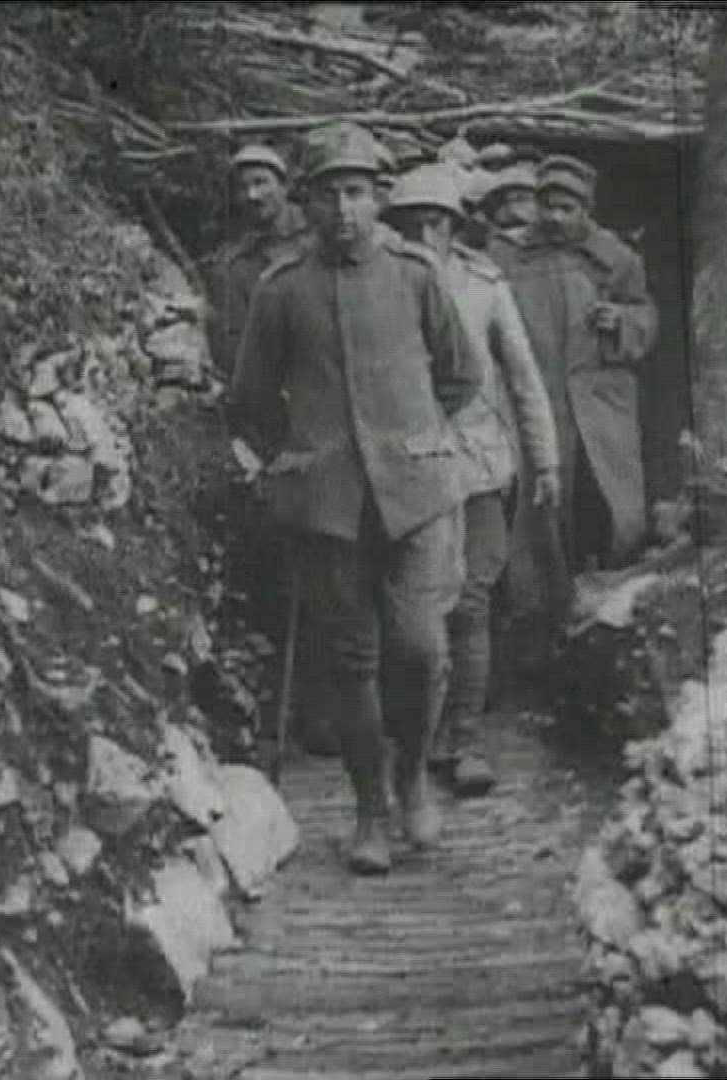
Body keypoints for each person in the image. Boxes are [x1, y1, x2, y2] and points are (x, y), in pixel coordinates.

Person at [228, 124, 481, 875]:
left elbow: (462, 375)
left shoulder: (415, 274)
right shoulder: (282, 288)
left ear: (378, 197)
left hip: (417, 495)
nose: (343, 209)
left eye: (356, 192)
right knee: (351, 660)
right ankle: (370, 809)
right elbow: (249, 400)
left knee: (422, 648)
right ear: (305, 203)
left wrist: (413, 434)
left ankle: (412, 778)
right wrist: (301, 454)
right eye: (328, 194)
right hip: (329, 504)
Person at [382, 164, 561, 798]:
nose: (422, 235)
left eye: (435, 222)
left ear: (455, 226)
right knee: (414, 607)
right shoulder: (376, 283)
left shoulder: (485, 285)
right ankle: (413, 735)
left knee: (472, 601)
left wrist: (545, 461)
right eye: (409, 223)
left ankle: (462, 740)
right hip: (404, 470)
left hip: (479, 464)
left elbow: (523, 378)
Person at [503, 154, 657, 594]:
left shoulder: (616, 258)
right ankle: (542, 600)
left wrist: (622, 320)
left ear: (586, 210)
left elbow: (645, 314)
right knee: (543, 499)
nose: (554, 217)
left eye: (566, 208)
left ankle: (614, 581)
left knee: (606, 491)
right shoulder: (510, 254)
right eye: (547, 206)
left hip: (600, 399)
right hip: (539, 395)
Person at [202, 144, 310, 379]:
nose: (252, 195)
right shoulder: (232, 264)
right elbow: (231, 349)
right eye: (242, 188)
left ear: (284, 186)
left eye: (261, 183)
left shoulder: (321, 234)